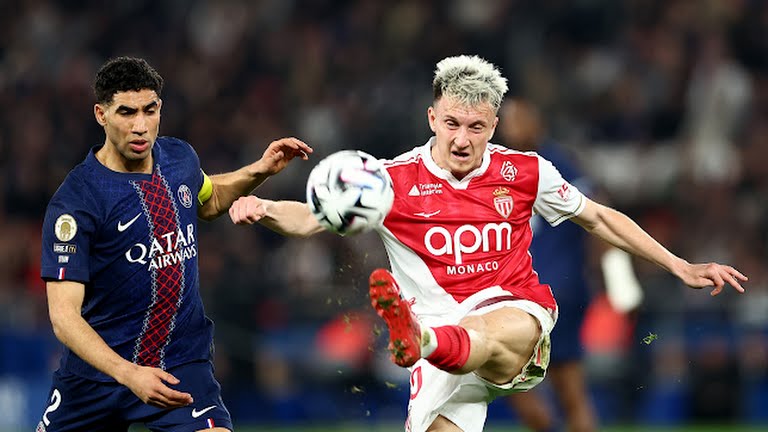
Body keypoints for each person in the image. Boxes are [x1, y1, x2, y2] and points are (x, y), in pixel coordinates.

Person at [227, 55, 747, 432]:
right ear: (432, 118)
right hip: (443, 362)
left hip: (517, 319)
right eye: (451, 123)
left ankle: (422, 338)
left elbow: (600, 219)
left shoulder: (525, 172)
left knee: (501, 330)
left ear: (493, 125)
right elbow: (314, 219)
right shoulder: (391, 182)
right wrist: (266, 208)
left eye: (476, 127)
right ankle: (427, 342)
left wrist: (678, 265)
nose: (461, 139)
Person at [39, 56, 312, 432]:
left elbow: (209, 199)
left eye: (149, 111)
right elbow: (63, 317)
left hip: (179, 362)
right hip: (96, 378)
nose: (140, 126)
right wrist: (129, 373)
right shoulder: (76, 203)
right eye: (126, 112)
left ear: (160, 108)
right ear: (101, 114)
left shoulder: (178, 159)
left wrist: (258, 170)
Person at [498, 98, 642, 432]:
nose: (512, 125)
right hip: (527, 292)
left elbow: (599, 217)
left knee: (546, 385)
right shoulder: (500, 168)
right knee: (545, 386)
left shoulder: (558, 164)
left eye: (520, 118)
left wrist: (620, 280)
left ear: (538, 124)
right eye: (508, 119)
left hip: (554, 291)